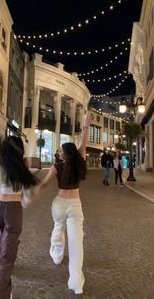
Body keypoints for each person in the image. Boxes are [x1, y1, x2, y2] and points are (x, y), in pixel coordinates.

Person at [34, 113, 93, 295]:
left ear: (65, 152)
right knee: (77, 243)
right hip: (75, 204)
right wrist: (85, 126)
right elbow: (83, 145)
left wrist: (32, 193)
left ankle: (57, 255)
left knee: (58, 229)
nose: (58, 152)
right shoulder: (78, 163)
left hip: (60, 204)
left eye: (60, 150)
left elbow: (44, 184)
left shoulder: (56, 167)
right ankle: (77, 284)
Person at [0, 136, 38, 299]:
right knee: (8, 251)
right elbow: (27, 191)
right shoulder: (22, 166)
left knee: (2, 238)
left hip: (0, 207)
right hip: (14, 209)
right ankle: (2, 294)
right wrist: (25, 201)